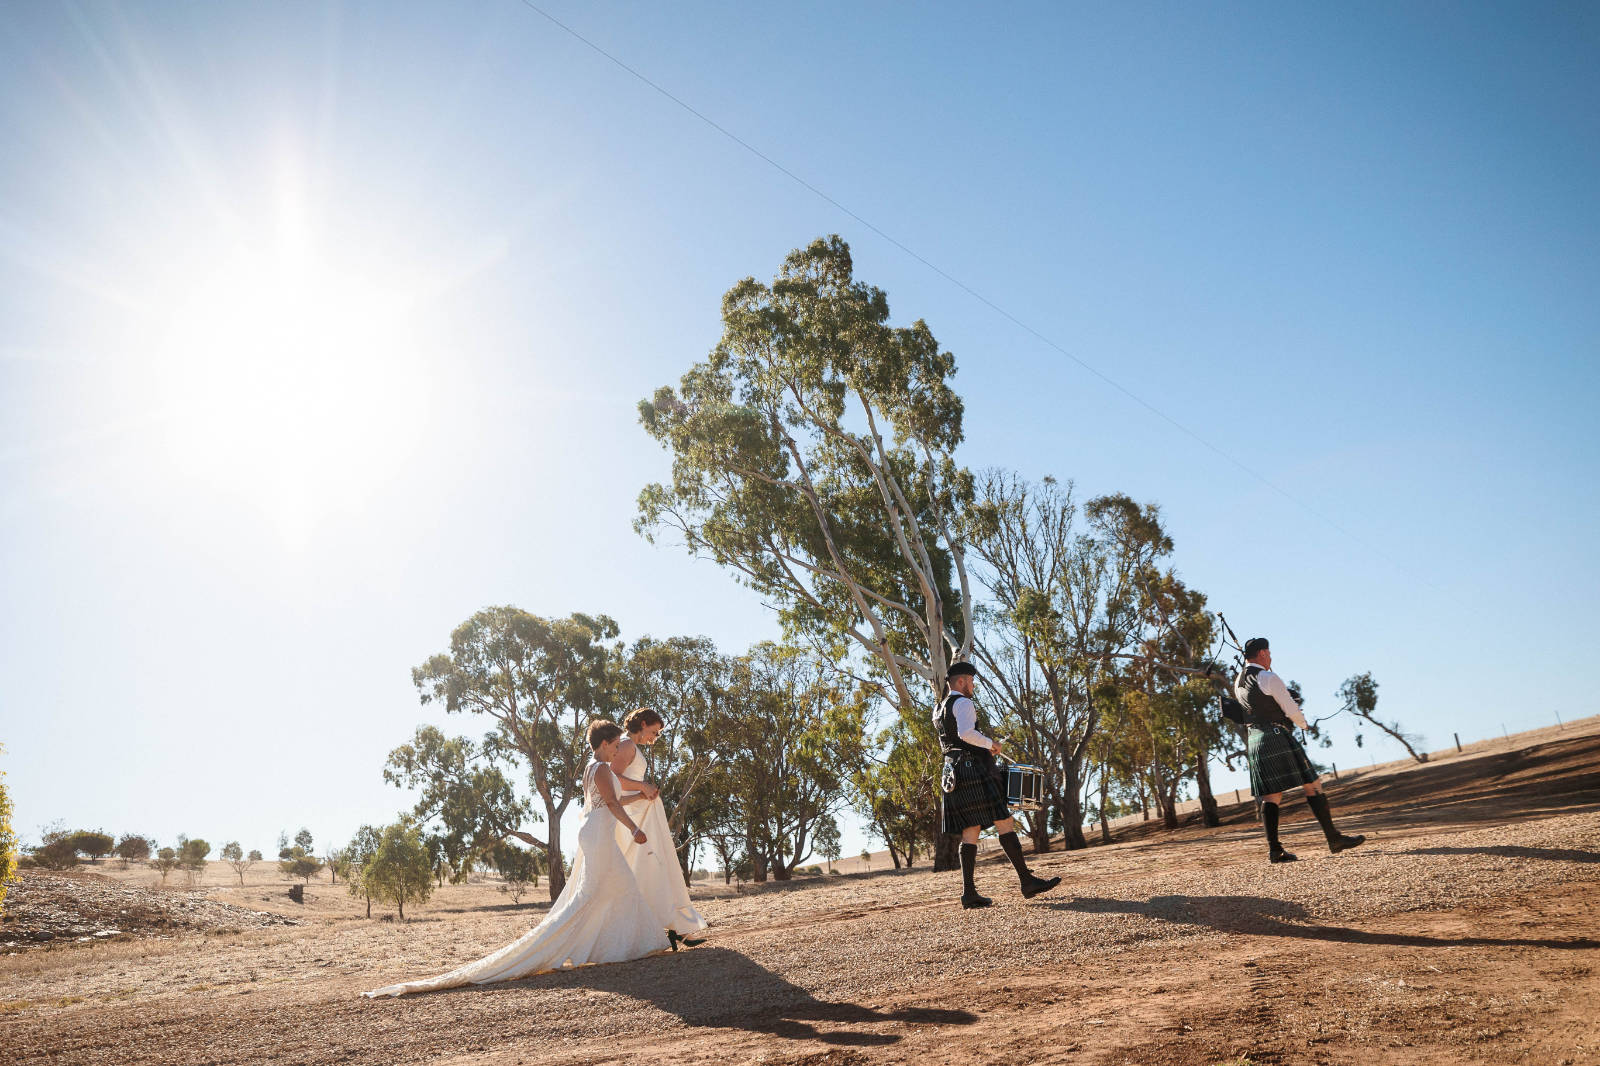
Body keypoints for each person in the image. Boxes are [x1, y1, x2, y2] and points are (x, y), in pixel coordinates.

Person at [363, 720, 669, 997]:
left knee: (621, 887)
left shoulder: (596, 767)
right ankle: (547, 946)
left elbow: (608, 801)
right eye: (616, 746)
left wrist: (641, 796)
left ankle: (627, 947)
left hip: (596, 831)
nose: (618, 752)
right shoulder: (600, 768)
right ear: (604, 744)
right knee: (588, 896)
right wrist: (633, 829)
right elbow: (613, 804)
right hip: (600, 835)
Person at [935, 661, 1060, 908]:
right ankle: (1027, 881)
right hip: (973, 770)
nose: (972, 686)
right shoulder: (963, 702)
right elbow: (966, 734)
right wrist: (992, 744)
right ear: (961, 682)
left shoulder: (939, 708)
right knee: (1004, 820)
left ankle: (969, 894)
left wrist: (980, 748)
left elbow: (953, 742)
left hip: (953, 771)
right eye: (971, 681)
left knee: (971, 830)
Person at [1235, 637, 1366, 863]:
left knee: (1271, 795)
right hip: (1276, 735)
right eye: (1269, 653)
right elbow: (1291, 709)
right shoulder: (1268, 676)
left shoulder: (1238, 681)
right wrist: (1304, 724)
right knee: (1313, 784)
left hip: (1255, 738)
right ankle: (1334, 838)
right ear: (1263, 653)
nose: (1271, 657)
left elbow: (1254, 708)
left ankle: (1275, 850)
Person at [611, 707, 708, 947]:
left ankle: (675, 927)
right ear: (643, 724)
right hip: (634, 817)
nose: (655, 738)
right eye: (654, 732)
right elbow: (612, 778)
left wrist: (644, 790)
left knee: (657, 867)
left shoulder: (632, 747)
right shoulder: (625, 745)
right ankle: (662, 929)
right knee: (647, 869)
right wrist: (642, 787)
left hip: (644, 813)